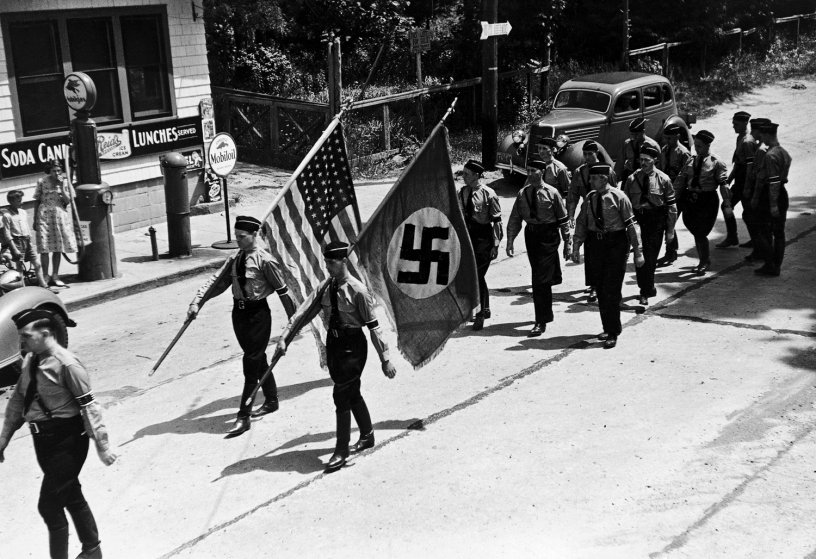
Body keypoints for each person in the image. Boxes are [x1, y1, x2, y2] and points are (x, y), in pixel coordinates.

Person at [0, 309, 117, 559]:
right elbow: (19, 401)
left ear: (46, 334)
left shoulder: (68, 365)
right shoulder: (32, 359)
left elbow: (90, 408)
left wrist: (103, 447)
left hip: (68, 441)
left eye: (26, 337)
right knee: (70, 494)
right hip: (43, 441)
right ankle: (92, 551)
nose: (22, 342)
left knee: (49, 505)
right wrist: (3, 440)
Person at [276, 241, 396, 472]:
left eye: (331, 262)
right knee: (351, 393)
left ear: (343, 262)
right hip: (334, 345)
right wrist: (285, 338)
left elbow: (373, 327)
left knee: (340, 394)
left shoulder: (358, 291)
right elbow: (305, 312)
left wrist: (385, 359)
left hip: (353, 347)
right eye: (326, 262)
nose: (327, 267)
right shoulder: (326, 287)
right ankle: (367, 434)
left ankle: (341, 450)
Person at [187, 215, 296, 436]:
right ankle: (272, 399)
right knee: (257, 357)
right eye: (236, 236)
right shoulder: (236, 258)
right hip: (239, 314)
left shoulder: (265, 260)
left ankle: (243, 416)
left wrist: (293, 321)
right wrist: (197, 301)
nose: (238, 240)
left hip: (258, 316)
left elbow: (284, 292)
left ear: (254, 235)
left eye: (242, 237)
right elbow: (218, 282)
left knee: (250, 364)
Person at [572, 164, 644, 348]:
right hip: (595, 245)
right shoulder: (590, 197)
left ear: (603, 178)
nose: (590, 181)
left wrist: (638, 252)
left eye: (594, 178)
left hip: (616, 245)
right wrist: (576, 245)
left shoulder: (619, 197)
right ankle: (607, 327)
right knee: (601, 290)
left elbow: (631, 225)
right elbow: (582, 222)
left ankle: (613, 331)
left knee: (611, 290)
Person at [506, 156, 571, 337]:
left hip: (548, 235)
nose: (530, 174)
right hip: (532, 235)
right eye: (527, 171)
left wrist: (568, 243)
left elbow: (563, 219)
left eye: (533, 171)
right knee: (540, 272)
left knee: (539, 280)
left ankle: (541, 320)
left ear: (541, 172)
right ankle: (553, 275)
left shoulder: (552, 193)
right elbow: (515, 218)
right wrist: (510, 240)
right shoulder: (523, 193)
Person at [623, 143, 677, 305]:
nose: (643, 163)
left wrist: (670, 230)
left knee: (651, 257)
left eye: (647, 160)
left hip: (656, 221)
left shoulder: (664, 179)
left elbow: (672, 207)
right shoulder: (632, 179)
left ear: (655, 160)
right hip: (638, 220)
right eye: (641, 160)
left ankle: (647, 289)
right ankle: (645, 289)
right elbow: (625, 204)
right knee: (639, 255)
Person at [567, 140, 616, 303]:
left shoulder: (607, 171)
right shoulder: (579, 172)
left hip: (605, 214)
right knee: (589, 250)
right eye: (585, 154)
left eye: (590, 154)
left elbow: (615, 193)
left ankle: (603, 283)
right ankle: (593, 285)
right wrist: (571, 215)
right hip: (587, 214)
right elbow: (573, 195)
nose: (587, 157)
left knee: (605, 250)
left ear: (597, 153)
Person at [675, 130, 729, 275]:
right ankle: (704, 259)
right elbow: (681, 180)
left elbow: (724, 184)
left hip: (707, 200)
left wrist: (728, 203)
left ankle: (704, 261)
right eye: (695, 146)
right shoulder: (691, 160)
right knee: (692, 226)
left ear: (707, 145)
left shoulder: (716, 162)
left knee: (700, 232)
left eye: (699, 146)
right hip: (691, 198)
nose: (696, 149)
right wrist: (674, 197)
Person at [458, 159, 503, 331]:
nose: (463, 177)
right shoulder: (462, 192)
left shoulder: (488, 194)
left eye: (467, 174)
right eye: (463, 173)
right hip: (468, 237)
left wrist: (496, 244)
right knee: (473, 275)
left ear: (476, 175)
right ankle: (484, 307)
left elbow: (497, 221)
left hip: (484, 238)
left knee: (476, 275)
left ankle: (480, 314)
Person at [750, 122, 792, 276]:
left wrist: (771, 204)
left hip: (770, 195)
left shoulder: (770, 155)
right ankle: (776, 265)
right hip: (782, 193)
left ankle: (770, 264)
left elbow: (772, 182)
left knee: (759, 229)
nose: (761, 138)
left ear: (768, 135)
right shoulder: (784, 152)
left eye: (762, 135)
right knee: (779, 232)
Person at [34, 160, 77, 288]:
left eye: (59, 170)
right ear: (49, 170)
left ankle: (55, 275)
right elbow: (36, 200)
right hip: (44, 215)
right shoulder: (42, 181)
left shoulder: (65, 181)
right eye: (54, 170)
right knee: (45, 248)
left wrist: (62, 187)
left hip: (59, 214)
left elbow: (68, 201)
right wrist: (35, 219)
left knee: (58, 247)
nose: (56, 173)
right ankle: (45, 276)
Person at [657, 123, 693, 267]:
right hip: (666, 191)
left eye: (670, 138)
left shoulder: (684, 153)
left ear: (677, 136)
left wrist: (675, 194)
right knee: (667, 221)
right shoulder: (664, 150)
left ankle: (670, 253)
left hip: (679, 193)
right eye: (666, 138)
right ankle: (671, 251)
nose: (667, 141)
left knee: (669, 221)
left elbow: (685, 175)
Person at [716, 111, 753, 248]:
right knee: (727, 205)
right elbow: (738, 163)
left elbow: (749, 167)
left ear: (745, 123)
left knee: (748, 212)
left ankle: (755, 240)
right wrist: (730, 179)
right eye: (733, 123)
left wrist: (748, 187)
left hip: (745, 181)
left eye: (736, 124)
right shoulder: (740, 138)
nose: (733, 126)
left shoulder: (748, 141)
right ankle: (733, 237)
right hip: (739, 180)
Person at [3, 189, 49, 288]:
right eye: (18, 201)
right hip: (16, 242)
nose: (22, 202)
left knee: (37, 264)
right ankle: (22, 288)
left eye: (21, 199)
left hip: (27, 241)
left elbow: (27, 228)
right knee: (19, 268)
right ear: (11, 202)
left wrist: (30, 243)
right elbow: (7, 234)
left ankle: (43, 285)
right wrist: (14, 249)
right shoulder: (7, 215)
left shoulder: (23, 212)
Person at [742, 117, 771, 261]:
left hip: (761, 190)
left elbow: (756, 174)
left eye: (754, 130)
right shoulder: (770, 146)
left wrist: (752, 193)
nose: (751, 132)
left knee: (755, 220)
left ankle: (761, 252)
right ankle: (763, 251)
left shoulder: (761, 150)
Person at [620, 117, 660, 185]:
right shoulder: (627, 144)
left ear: (643, 131)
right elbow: (620, 163)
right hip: (630, 176)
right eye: (632, 134)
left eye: (637, 134)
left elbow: (660, 164)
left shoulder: (653, 145)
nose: (634, 137)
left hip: (646, 178)